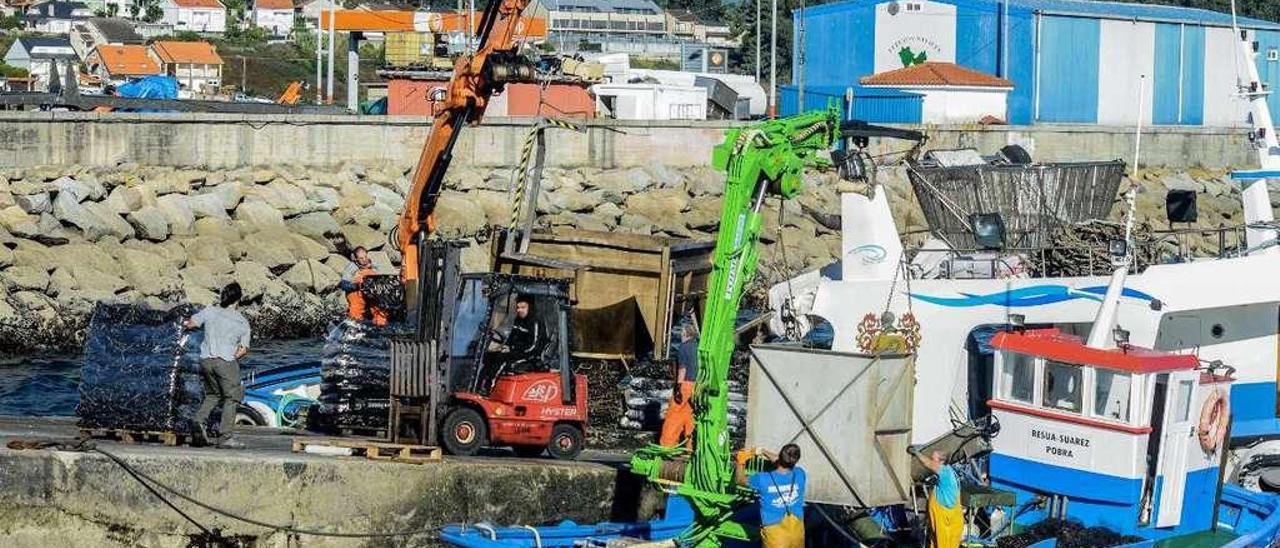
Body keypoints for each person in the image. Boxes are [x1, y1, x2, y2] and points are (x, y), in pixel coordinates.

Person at [184, 283, 252, 448]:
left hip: (206, 360)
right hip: (226, 361)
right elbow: (243, 350)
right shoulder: (242, 321)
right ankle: (225, 437)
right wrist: (232, 358)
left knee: (213, 394)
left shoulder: (210, 311)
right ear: (238, 300)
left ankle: (198, 420)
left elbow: (190, 324)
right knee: (232, 396)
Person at [735, 443, 806, 548]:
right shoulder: (800, 474)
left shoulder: (762, 479)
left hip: (775, 535)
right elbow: (782, 461)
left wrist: (740, 461)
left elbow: (739, 480)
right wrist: (762, 451)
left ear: (780, 455)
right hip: (797, 532)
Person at [479, 294, 547, 389]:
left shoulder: (535, 322)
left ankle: (489, 388)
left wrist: (511, 348)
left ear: (530, 307)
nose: (519, 310)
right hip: (516, 351)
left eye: (523, 307)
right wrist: (504, 346)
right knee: (490, 356)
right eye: (518, 308)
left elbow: (533, 346)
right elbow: (511, 337)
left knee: (503, 359)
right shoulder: (518, 320)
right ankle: (478, 386)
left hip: (530, 355)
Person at [660, 323, 698, 448]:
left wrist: (678, 388)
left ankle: (667, 447)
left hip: (685, 384)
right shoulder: (698, 347)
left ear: (685, 334)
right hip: (697, 386)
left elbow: (682, 369)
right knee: (689, 417)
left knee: (673, 416)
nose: (680, 336)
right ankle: (690, 448)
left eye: (681, 334)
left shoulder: (684, 348)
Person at [919, 450, 963, 548]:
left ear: (941, 461)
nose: (931, 460)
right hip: (948, 520)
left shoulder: (945, 472)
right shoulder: (949, 472)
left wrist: (916, 453)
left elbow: (928, 464)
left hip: (947, 521)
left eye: (933, 459)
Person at [340, 247, 388, 326]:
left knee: (380, 311)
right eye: (361, 258)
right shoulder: (351, 268)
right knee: (355, 315)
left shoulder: (374, 265)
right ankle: (355, 326)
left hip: (373, 293)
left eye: (365, 257)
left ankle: (381, 325)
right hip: (357, 294)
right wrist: (357, 286)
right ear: (356, 259)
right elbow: (343, 285)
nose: (364, 259)